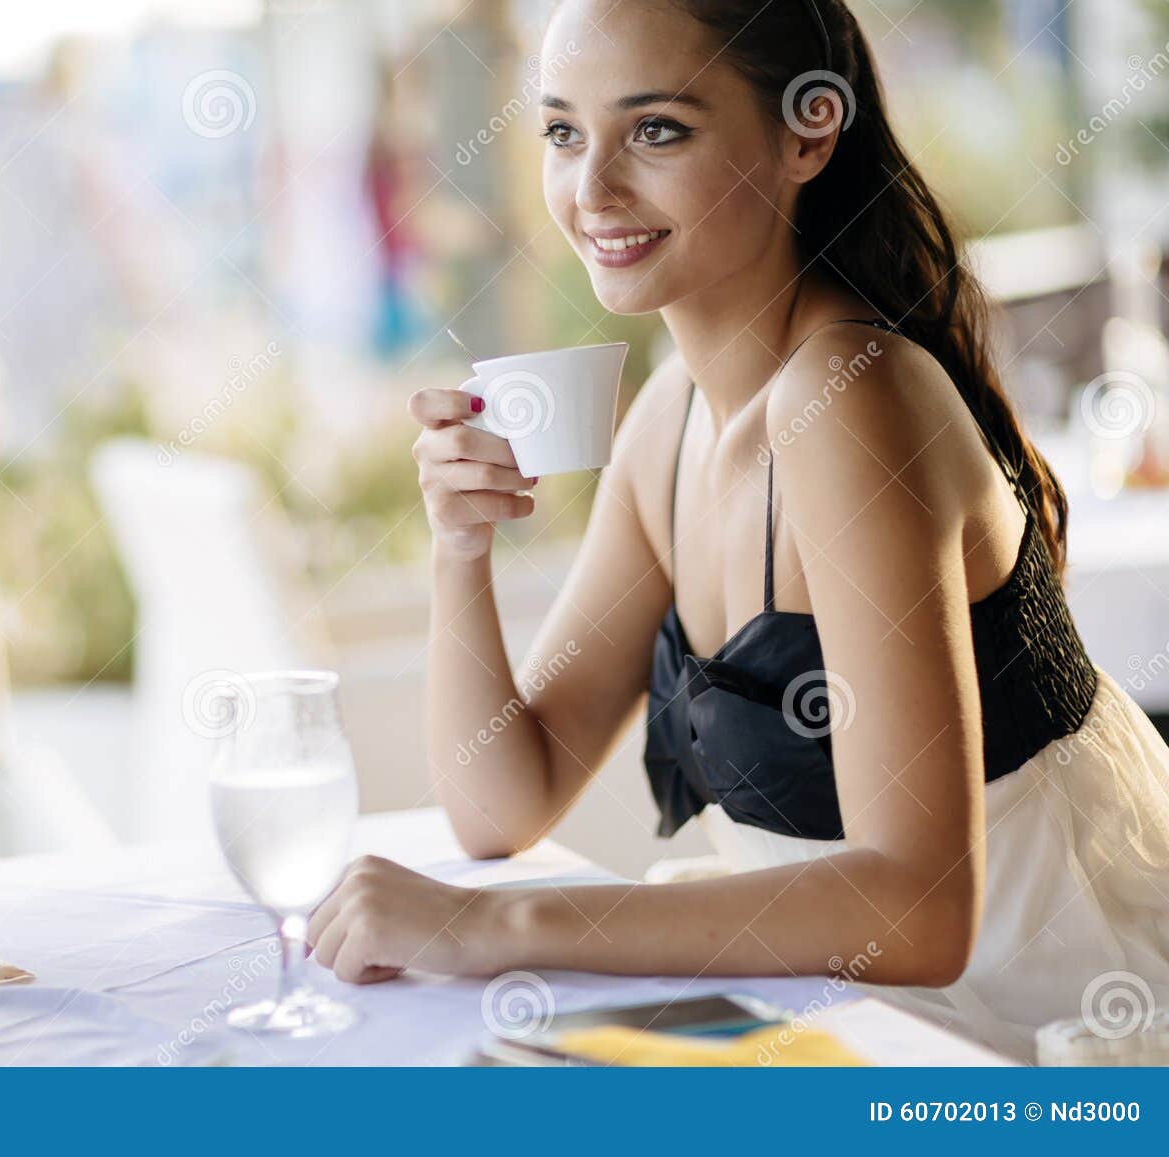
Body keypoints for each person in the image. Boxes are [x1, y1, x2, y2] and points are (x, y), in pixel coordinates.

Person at [304, 0, 1169, 1060]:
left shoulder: (852, 401)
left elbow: (921, 909)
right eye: (563, 132)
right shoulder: (668, 419)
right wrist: (460, 547)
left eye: (657, 129)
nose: (592, 189)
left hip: (1044, 1027)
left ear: (806, 131)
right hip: (854, 1019)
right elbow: (502, 799)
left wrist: (490, 922)